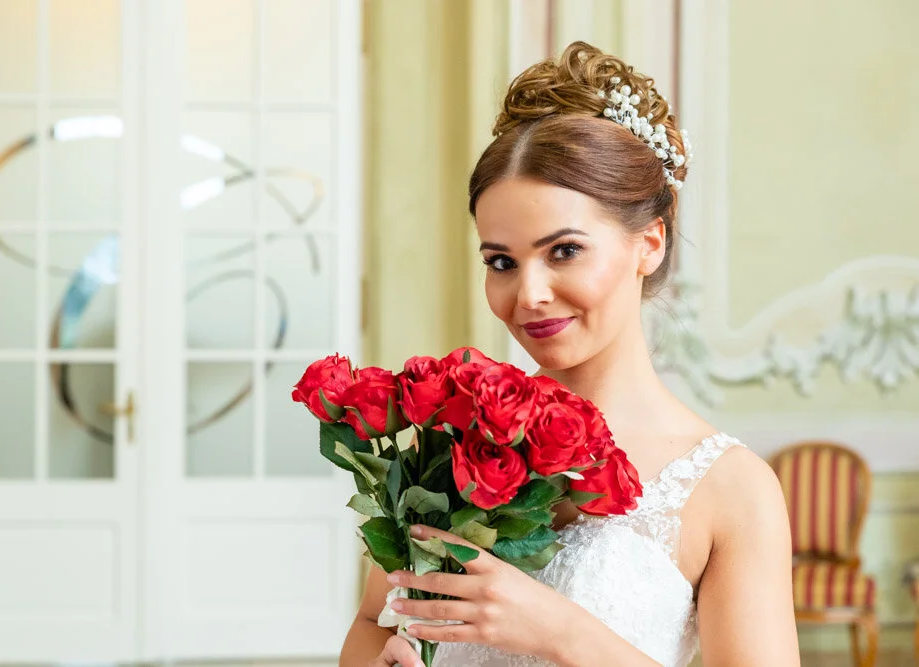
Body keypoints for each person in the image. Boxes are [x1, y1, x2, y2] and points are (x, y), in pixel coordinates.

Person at [340, 41, 800, 667]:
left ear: (650, 244)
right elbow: (374, 622)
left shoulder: (732, 489)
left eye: (564, 251)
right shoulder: (452, 437)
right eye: (501, 261)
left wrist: (560, 632)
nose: (527, 294)